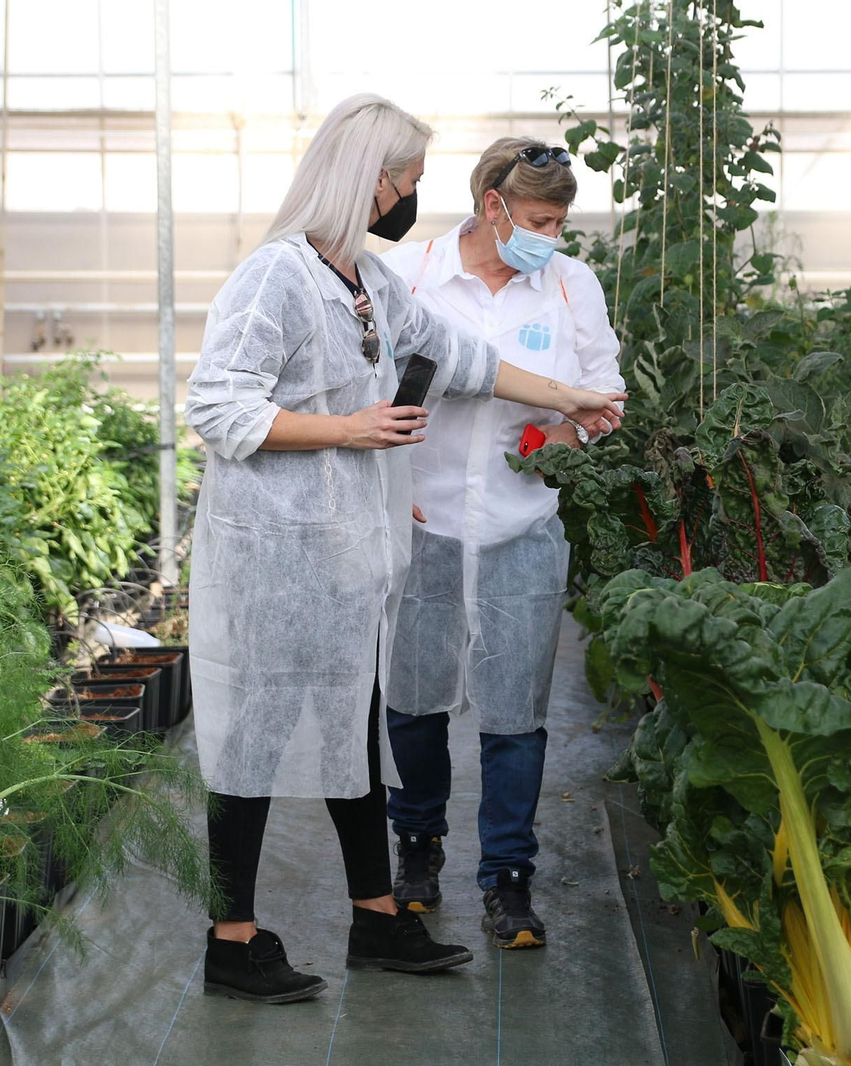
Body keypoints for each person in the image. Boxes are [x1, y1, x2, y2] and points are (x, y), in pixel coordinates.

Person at [184, 99, 625, 1004]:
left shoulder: (371, 284)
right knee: (252, 745)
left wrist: (572, 399)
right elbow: (218, 407)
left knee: (355, 733)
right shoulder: (277, 277)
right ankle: (231, 940)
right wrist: (349, 427)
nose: (415, 198)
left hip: (348, 557)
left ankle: (379, 919)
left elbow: (465, 359)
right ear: (365, 180)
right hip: (275, 557)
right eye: (408, 181)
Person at [380, 137, 626, 950]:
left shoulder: (568, 284)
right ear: (494, 205)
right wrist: (390, 485)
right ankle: (416, 848)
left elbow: (604, 393)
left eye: (559, 221)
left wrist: (564, 440)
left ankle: (508, 880)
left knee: (516, 713)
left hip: (521, 527)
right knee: (415, 699)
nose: (551, 235)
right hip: (425, 522)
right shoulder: (412, 274)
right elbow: (366, 383)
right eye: (541, 219)